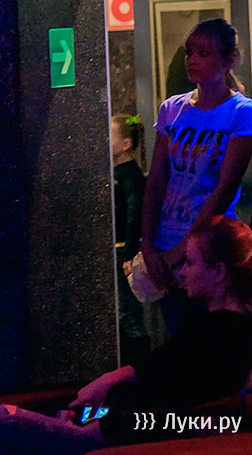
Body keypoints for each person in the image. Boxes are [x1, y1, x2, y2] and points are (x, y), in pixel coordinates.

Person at [0, 214, 252, 453]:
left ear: (218, 271)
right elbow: (160, 386)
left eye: (190, 263)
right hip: (120, 430)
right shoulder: (225, 330)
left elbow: (168, 406)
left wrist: (100, 415)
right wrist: (93, 412)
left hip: (121, 441)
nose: (182, 272)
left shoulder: (219, 334)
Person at [140, 19, 252, 334]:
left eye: (203, 53)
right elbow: (156, 182)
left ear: (228, 60)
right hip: (165, 243)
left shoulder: (241, 112)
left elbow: (224, 191)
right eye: (189, 52)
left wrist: (179, 253)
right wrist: (149, 247)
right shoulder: (172, 108)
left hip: (208, 250)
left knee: (210, 342)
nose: (192, 59)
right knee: (178, 341)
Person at [111, 114, 149, 365]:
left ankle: (139, 367)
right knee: (123, 311)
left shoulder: (129, 175)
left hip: (124, 250)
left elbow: (135, 215)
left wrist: (128, 253)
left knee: (128, 313)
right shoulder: (116, 172)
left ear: (126, 144)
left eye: (111, 136)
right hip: (119, 249)